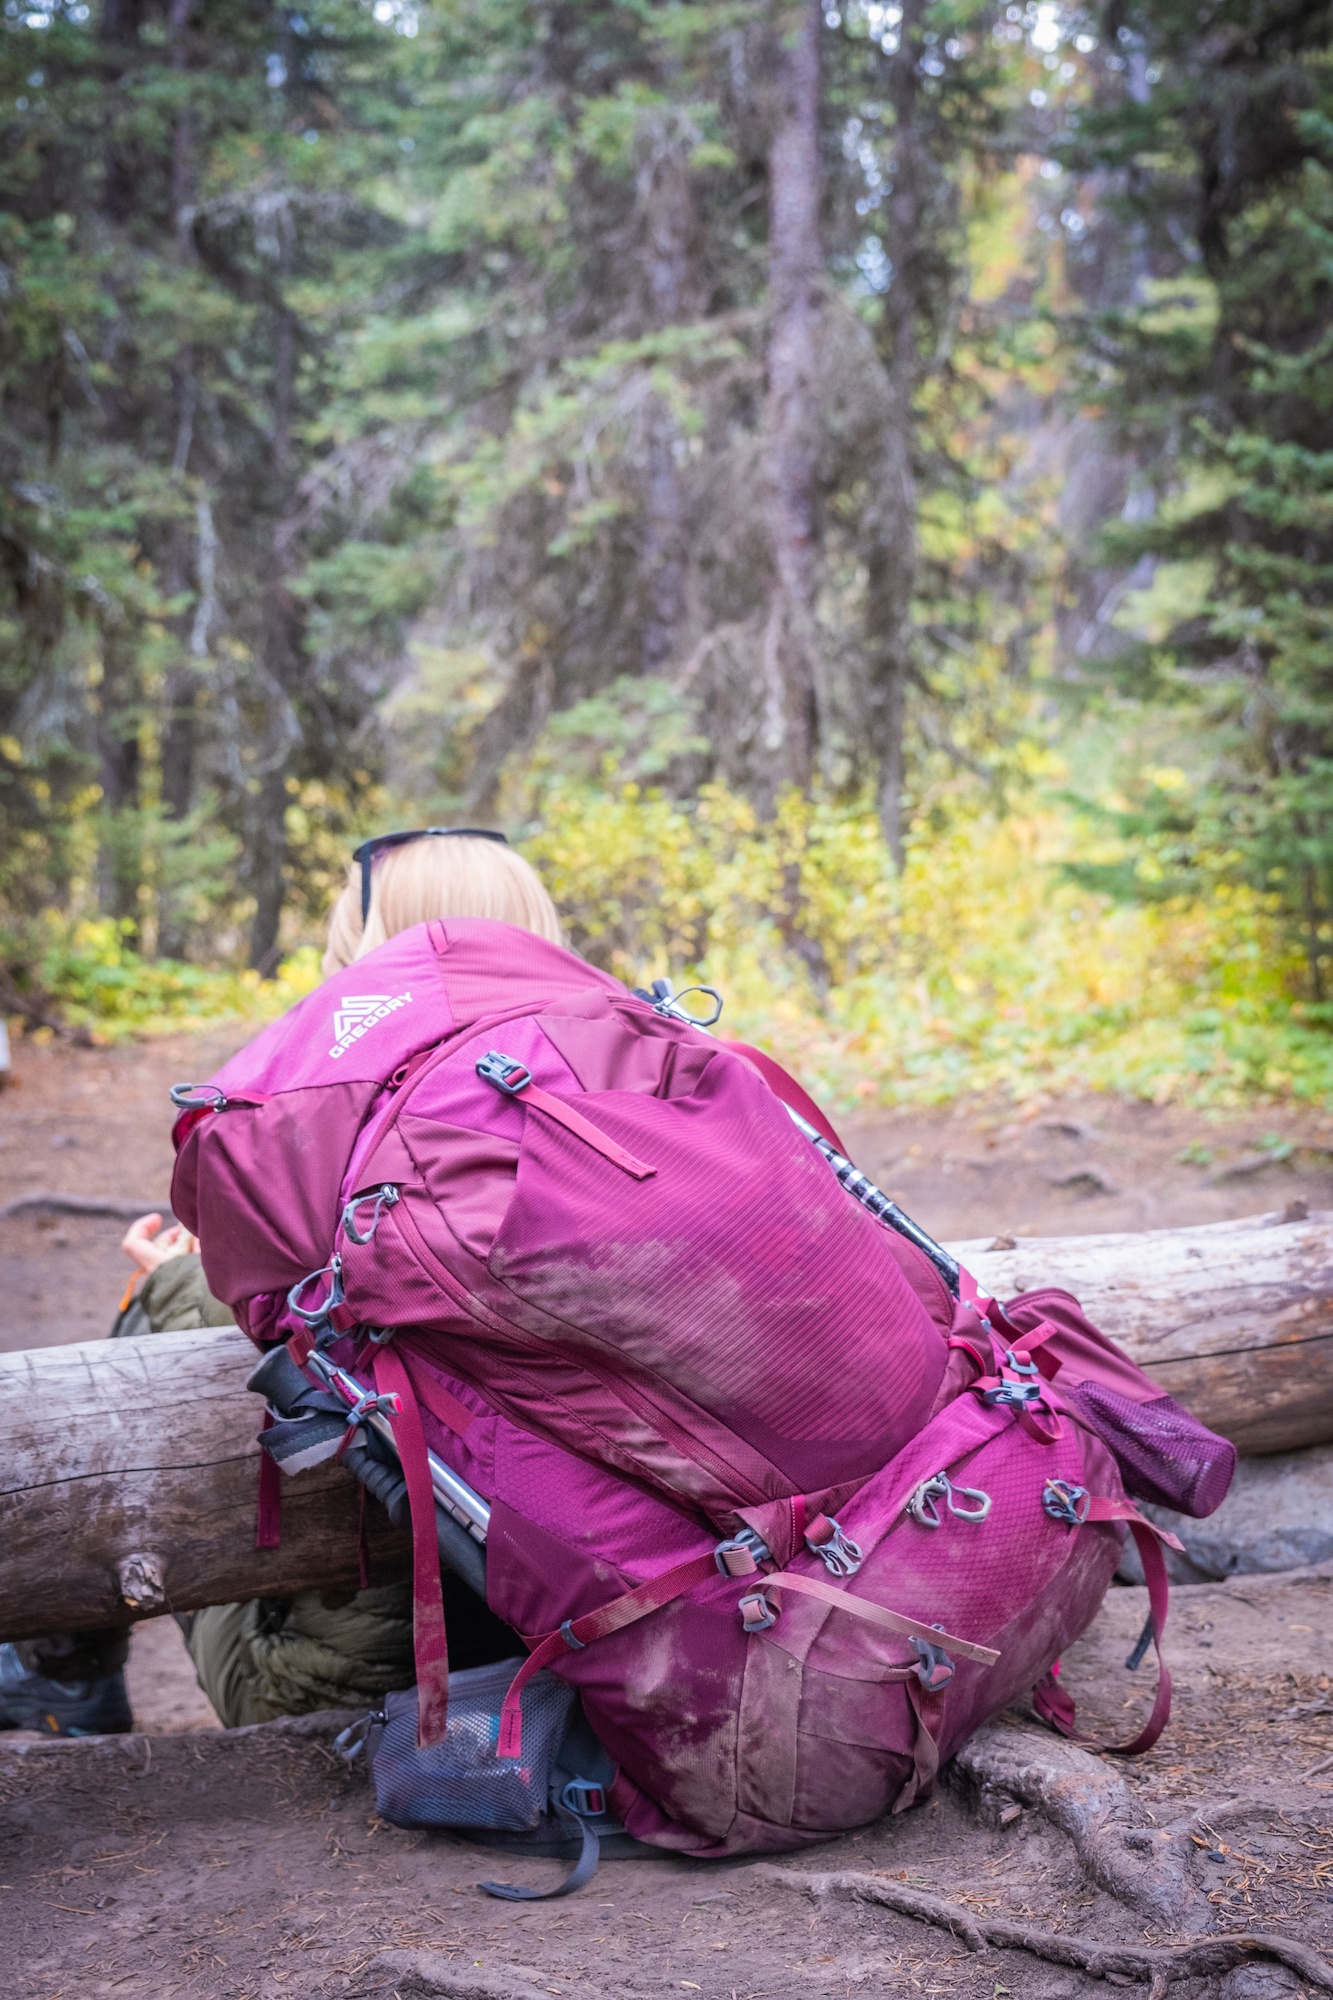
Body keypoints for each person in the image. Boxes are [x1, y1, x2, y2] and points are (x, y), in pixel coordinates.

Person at [0, 830, 558, 1734]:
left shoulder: (332, 1114)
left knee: (169, 1308)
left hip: (377, 1686)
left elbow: (305, 1351)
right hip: (617, 1641)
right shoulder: (610, 1091)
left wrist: (181, 1280)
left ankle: (63, 1673)